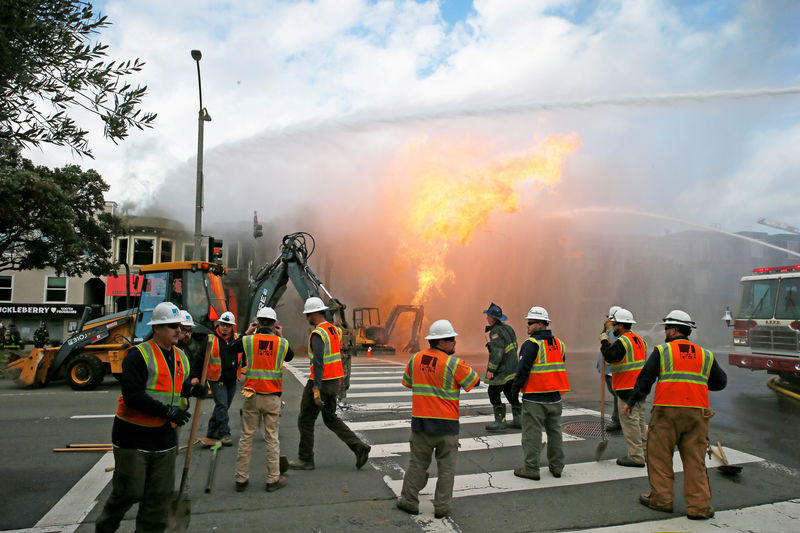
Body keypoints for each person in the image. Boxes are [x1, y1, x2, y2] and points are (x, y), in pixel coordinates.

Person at [95, 301, 205, 533]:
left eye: (179, 326)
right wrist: (165, 410)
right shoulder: (139, 355)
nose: (178, 330)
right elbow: (133, 394)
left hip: (163, 437)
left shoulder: (180, 357)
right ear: (157, 329)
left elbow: (176, 388)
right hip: (133, 436)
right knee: (128, 491)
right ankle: (105, 527)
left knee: (159, 497)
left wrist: (193, 390)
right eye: (171, 326)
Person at [625, 310, 727, 520]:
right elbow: (720, 382)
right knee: (695, 461)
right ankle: (698, 507)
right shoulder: (704, 354)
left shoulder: (663, 351)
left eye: (666, 329)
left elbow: (646, 379)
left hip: (667, 413)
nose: (665, 332)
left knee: (659, 457)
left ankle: (661, 500)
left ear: (672, 330)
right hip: (697, 415)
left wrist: (632, 400)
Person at [396, 319, 480, 519]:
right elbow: (475, 381)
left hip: (421, 425)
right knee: (446, 469)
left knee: (417, 464)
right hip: (446, 426)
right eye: (451, 339)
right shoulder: (454, 363)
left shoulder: (415, 359)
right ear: (441, 341)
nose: (454, 343)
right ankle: (441, 507)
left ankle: (409, 501)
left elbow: (408, 382)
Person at [288, 297, 371, 470]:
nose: (306, 318)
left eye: (307, 314)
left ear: (314, 313)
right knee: (331, 418)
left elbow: (318, 362)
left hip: (321, 383)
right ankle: (358, 446)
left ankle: (306, 459)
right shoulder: (334, 330)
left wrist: (316, 389)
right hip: (334, 382)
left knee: (305, 419)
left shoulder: (318, 334)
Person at [228, 307, 294, 492]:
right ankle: (272, 480)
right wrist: (281, 336)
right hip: (272, 397)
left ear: (257, 322)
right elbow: (290, 356)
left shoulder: (248, 341)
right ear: (274, 324)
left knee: (246, 437)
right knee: (271, 438)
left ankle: (241, 479)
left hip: (251, 396)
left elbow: (230, 348)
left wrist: (246, 332)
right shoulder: (281, 343)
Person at [511, 306, 570, 480]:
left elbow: (522, 371)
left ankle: (531, 468)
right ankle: (557, 466)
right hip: (555, 398)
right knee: (555, 433)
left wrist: (514, 392)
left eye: (530, 323)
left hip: (535, 398)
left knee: (532, 435)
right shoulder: (559, 344)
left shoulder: (531, 345)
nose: (527, 326)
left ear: (540, 324)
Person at [600, 308, 647, 467]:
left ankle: (636, 456)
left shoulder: (623, 341)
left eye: (615, 325)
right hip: (639, 388)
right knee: (640, 421)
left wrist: (604, 342)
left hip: (626, 388)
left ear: (621, 325)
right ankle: (645, 451)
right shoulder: (639, 340)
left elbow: (611, 357)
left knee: (630, 424)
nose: (613, 328)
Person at [198, 311, 242, 446]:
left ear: (232, 327)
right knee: (222, 405)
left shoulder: (237, 339)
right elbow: (199, 359)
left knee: (223, 406)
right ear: (219, 324)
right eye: (223, 324)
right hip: (216, 379)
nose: (224, 327)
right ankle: (224, 433)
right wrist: (196, 377)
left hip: (232, 380)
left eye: (228, 325)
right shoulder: (210, 339)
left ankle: (212, 430)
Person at [481, 302, 520, 431]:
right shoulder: (509, 328)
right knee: (510, 391)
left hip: (503, 369)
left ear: (493, 318)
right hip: (513, 368)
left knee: (493, 391)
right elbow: (515, 346)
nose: (487, 318)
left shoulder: (495, 332)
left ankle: (500, 420)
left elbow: (497, 353)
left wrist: (491, 370)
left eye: (488, 316)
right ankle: (519, 419)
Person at [598, 306, 622, 432]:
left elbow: (610, 348)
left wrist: (608, 333)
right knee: (617, 396)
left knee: (618, 396)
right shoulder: (610, 330)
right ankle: (619, 419)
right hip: (608, 370)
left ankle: (618, 420)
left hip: (612, 371)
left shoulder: (615, 332)